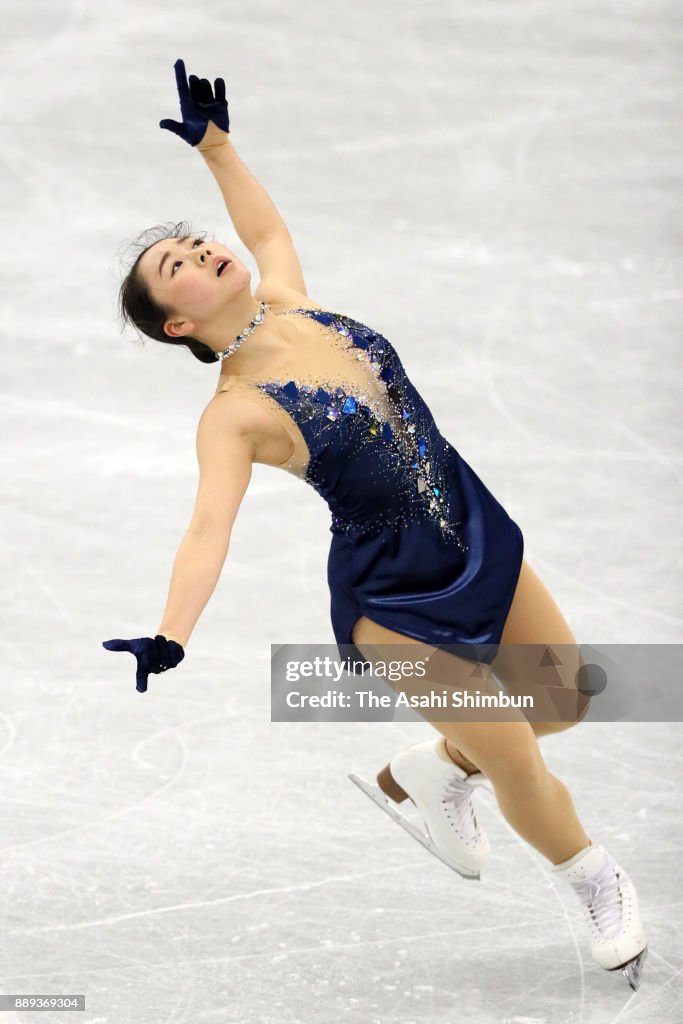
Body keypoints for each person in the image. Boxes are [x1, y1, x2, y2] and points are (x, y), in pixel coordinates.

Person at [103, 59, 647, 990]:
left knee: (560, 702)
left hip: (472, 530)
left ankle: (433, 772)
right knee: (517, 762)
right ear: (174, 328)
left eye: (194, 244)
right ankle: (592, 879)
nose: (201, 255)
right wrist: (170, 634)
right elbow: (207, 529)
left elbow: (265, 225)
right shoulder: (233, 411)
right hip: (391, 595)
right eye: (177, 268)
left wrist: (220, 150)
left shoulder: (291, 300)